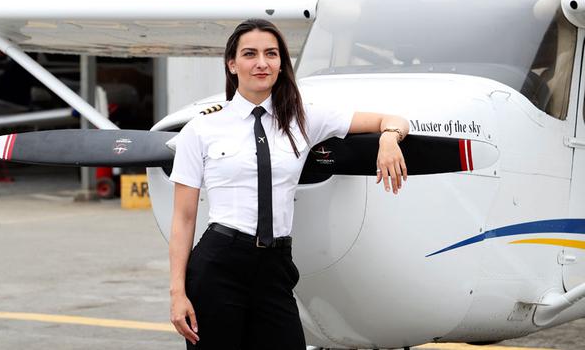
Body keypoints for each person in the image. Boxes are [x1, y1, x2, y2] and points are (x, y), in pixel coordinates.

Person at [168, 19, 409, 350]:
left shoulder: (304, 119)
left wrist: (389, 140)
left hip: (275, 266)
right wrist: (177, 293)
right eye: (250, 54)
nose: (262, 63)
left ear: (282, 64)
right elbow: (183, 218)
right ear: (232, 64)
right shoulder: (201, 130)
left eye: (271, 54)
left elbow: (391, 119)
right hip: (218, 264)